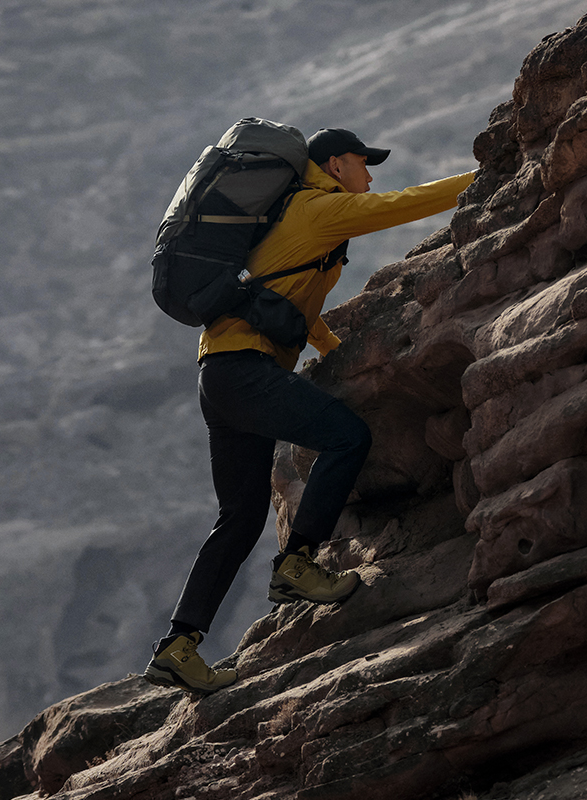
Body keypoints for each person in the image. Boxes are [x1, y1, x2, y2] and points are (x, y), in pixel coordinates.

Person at [143, 127, 475, 694]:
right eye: (363, 164)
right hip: (245, 371)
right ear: (336, 163)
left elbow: (288, 299)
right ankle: (298, 565)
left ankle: (179, 645)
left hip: (220, 375)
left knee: (240, 518)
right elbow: (402, 205)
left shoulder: (300, 217)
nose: (369, 175)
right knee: (346, 437)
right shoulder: (320, 208)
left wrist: (335, 350)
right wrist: (482, 178)